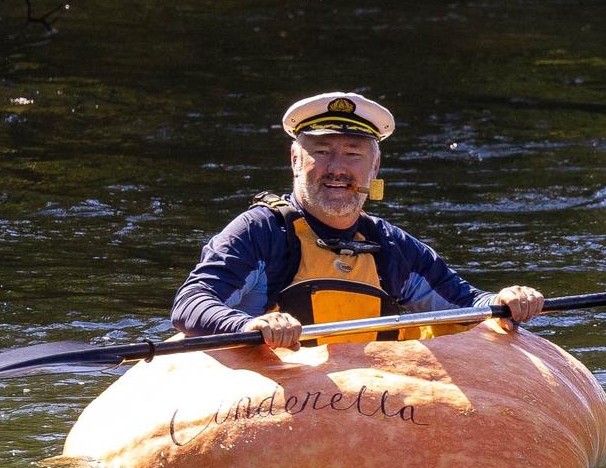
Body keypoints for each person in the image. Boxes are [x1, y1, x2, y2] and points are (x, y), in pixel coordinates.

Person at [171, 91, 544, 349]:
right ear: (295, 160)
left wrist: (506, 299)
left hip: (370, 402)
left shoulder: (392, 245)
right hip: (274, 397)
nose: (337, 169)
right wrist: (247, 325)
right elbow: (191, 303)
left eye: (353, 154)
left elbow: (466, 305)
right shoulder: (259, 232)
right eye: (321, 152)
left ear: (374, 167)